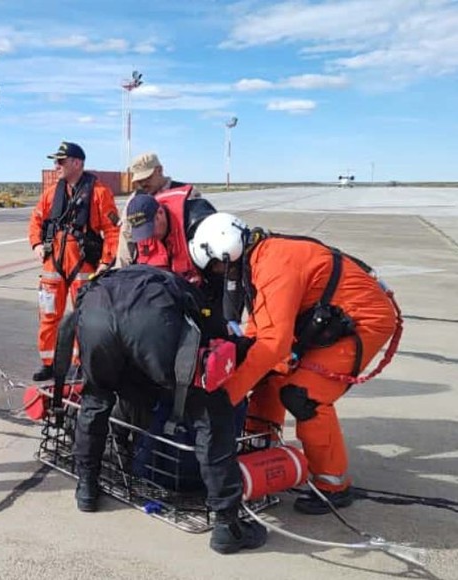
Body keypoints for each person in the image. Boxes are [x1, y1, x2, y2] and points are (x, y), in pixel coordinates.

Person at [187, 212, 400, 514]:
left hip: (365, 321)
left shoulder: (275, 264)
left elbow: (274, 342)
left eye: (218, 266)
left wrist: (226, 396)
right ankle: (261, 453)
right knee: (267, 380)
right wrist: (242, 363)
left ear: (227, 252)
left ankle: (333, 485)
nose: (219, 273)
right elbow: (263, 330)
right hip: (328, 320)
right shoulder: (257, 259)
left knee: (305, 395)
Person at [70, 266, 268, 554]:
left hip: (95, 314)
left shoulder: (117, 277)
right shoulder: (185, 291)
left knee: (96, 400)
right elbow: (215, 342)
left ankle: (86, 488)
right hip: (149, 323)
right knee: (209, 411)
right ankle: (227, 525)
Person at [28, 141, 120, 381]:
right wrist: (37, 244)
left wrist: (105, 262)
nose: (56, 165)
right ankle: (49, 363)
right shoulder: (52, 193)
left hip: (84, 265)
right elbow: (36, 219)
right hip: (53, 263)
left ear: (77, 163)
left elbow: (112, 230)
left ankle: (81, 364)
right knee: (48, 314)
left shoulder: (99, 193)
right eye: (55, 161)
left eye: (61, 161)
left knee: (83, 317)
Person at [116, 152, 203, 268]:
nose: (143, 184)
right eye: (139, 180)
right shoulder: (134, 200)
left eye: (147, 178)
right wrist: (120, 272)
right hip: (149, 271)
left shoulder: (187, 194)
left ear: (160, 170)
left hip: (183, 269)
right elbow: (126, 237)